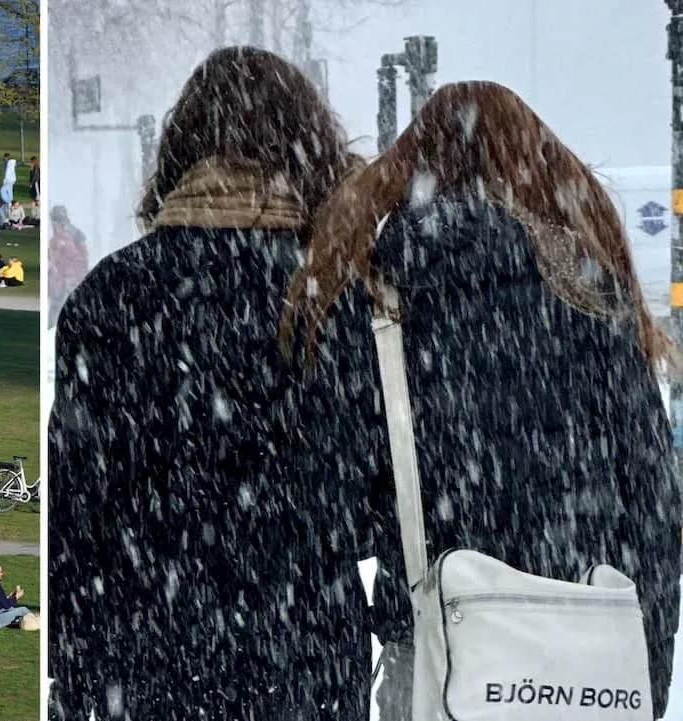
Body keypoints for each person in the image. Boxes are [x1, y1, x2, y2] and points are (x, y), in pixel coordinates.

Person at [284, 80, 683, 721]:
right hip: (583, 657)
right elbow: (653, 502)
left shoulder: (378, 298)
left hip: (438, 658)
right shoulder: (591, 296)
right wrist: (648, 665)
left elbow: (337, 503)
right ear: (538, 165)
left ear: (415, 168)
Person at [48, 47, 364, 721]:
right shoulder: (331, 296)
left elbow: (76, 518)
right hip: (302, 661)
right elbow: (363, 500)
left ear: (179, 154)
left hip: (145, 660)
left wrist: (75, 677)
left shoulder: (112, 295)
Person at [48, 205, 89, 328]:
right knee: (58, 308)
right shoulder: (61, 235)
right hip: (63, 278)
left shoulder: (68, 235)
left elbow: (73, 257)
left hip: (68, 278)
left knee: (63, 308)